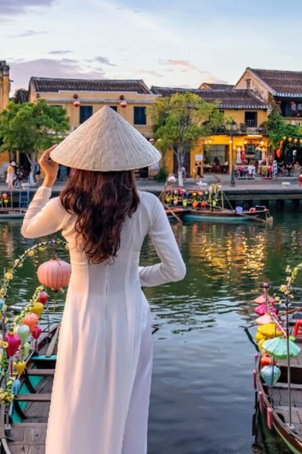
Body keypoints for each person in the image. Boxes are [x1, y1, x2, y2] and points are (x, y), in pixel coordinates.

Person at [21, 107, 186, 454]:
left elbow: (27, 229)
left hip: (84, 317)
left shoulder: (66, 206)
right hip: (132, 317)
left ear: (80, 163)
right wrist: (135, 276)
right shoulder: (150, 206)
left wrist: (47, 180)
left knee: (78, 402)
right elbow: (175, 271)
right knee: (129, 406)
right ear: (129, 164)